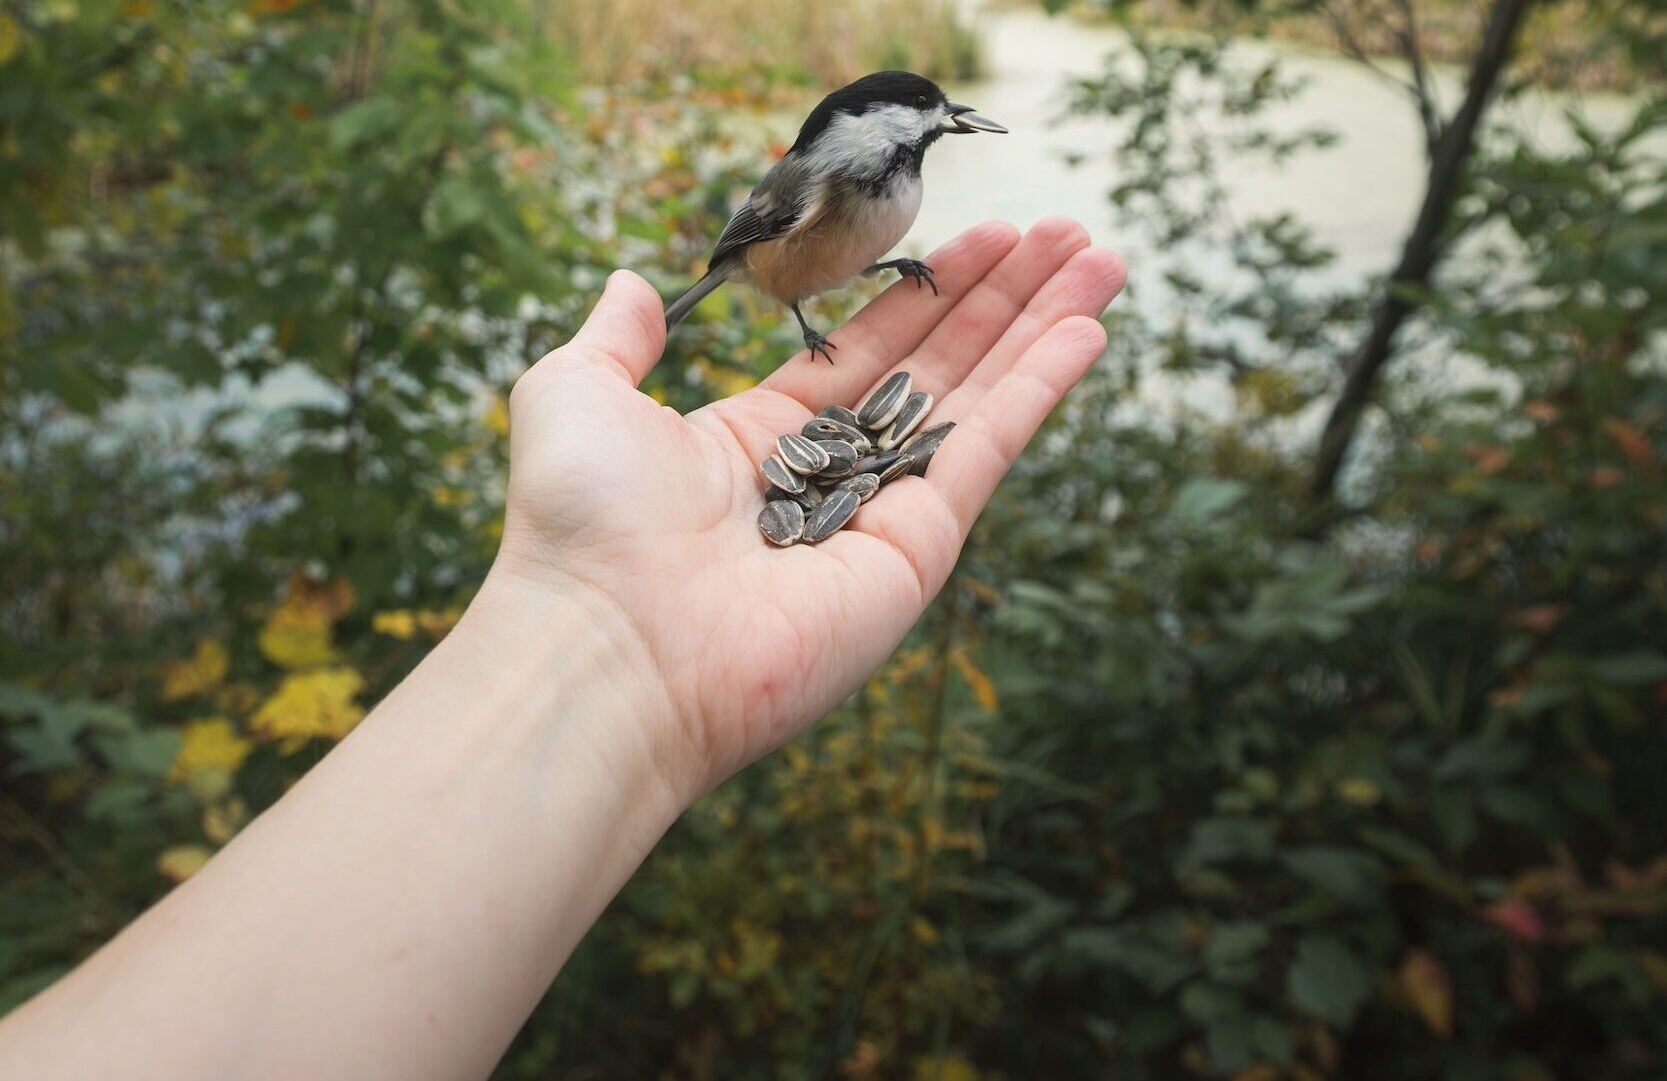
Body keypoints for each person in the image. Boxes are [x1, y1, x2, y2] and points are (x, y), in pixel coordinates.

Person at [0, 218, 1125, 1081]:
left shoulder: (894, 212)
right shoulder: (809, 194)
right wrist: (598, 624)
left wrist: (600, 651)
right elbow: (772, 253)